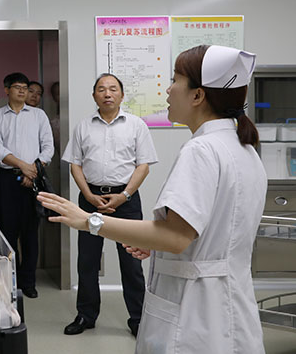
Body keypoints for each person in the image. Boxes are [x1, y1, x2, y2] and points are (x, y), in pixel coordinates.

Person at [39, 45, 265, 353]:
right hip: (228, 305)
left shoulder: (201, 150)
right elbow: (207, 232)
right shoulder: (242, 147)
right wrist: (155, 241)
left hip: (197, 313)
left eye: (175, 80)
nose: (168, 89)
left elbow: (175, 236)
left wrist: (89, 220)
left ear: (197, 95)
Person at [60, 73, 158, 337]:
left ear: (122, 95)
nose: (107, 93)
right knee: (87, 260)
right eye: (101, 89)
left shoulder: (136, 125)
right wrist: (89, 196)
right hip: (90, 199)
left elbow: (143, 165)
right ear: (94, 95)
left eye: (113, 89)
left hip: (126, 200)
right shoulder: (83, 126)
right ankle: (86, 315)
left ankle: (138, 319)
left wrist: (124, 195)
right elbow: (75, 164)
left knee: (131, 263)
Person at [0, 72, 54, 298]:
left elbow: (48, 147)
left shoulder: (38, 115)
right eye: (17, 87)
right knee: (7, 232)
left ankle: (28, 282)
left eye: (25, 88)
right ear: (7, 90)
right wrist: (23, 166)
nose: (22, 91)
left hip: (34, 178)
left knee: (30, 233)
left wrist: (32, 169)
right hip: (7, 179)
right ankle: (9, 282)